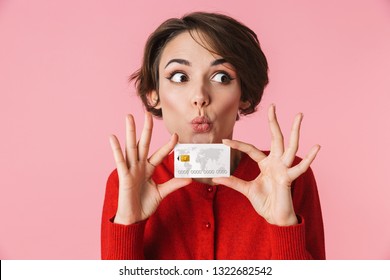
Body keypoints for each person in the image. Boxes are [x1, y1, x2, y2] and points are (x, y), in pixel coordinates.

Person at [101, 12, 325, 260]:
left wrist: (284, 225)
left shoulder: (287, 176)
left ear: (244, 94)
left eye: (221, 77)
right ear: (154, 93)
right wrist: (127, 223)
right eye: (179, 77)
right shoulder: (128, 181)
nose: (200, 96)